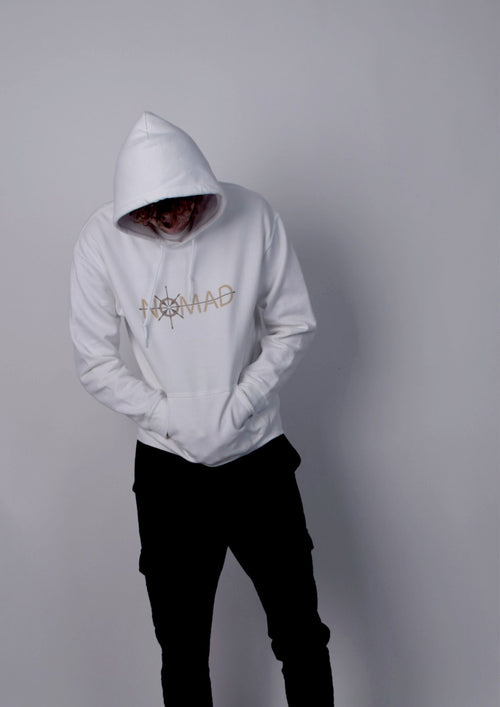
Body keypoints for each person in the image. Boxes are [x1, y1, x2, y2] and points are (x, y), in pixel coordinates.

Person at [69, 111, 335, 706]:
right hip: (169, 474)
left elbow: (294, 324)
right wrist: (170, 416)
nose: (170, 219)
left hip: (258, 457)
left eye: (179, 203)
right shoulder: (100, 240)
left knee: (299, 633)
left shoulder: (254, 215)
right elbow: (94, 361)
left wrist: (240, 404)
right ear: (133, 208)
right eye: (153, 211)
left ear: (199, 185)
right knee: (182, 649)